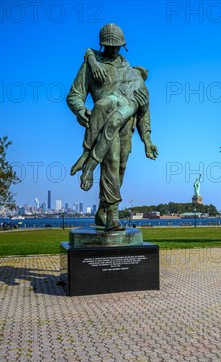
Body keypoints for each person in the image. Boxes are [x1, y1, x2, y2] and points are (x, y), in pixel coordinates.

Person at [67, 23, 158, 231]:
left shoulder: (131, 72)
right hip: (104, 124)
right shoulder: (91, 66)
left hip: (127, 127)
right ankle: (113, 218)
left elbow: (144, 111)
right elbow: (74, 95)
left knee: (120, 168)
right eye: (109, 46)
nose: (113, 50)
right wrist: (80, 109)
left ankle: (103, 210)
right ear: (102, 44)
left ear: (123, 46)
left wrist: (148, 139)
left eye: (117, 46)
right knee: (112, 162)